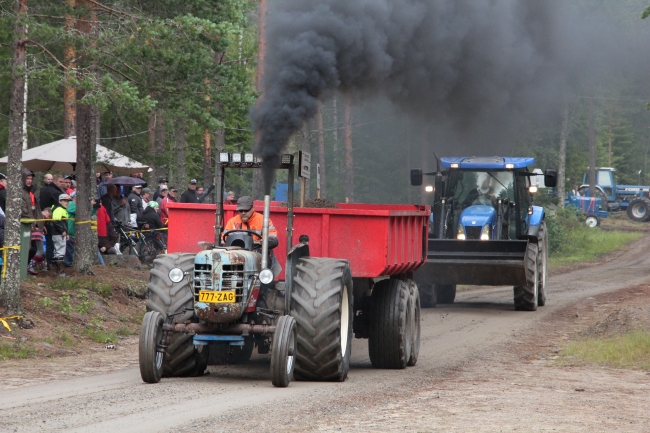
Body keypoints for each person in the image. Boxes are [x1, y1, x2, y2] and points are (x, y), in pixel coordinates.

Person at [21, 169, 44, 273]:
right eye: (27, 178)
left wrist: (39, 224)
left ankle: (25, 268)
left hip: (32, 225)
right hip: (24, 225)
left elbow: (36, 210)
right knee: (28, 249)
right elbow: (24, 210)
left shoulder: (30, 193)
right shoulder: (20, 192)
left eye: (31, 179)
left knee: (32, 249)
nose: (29, 181)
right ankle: (22, 270)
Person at [50, 194, 71, 262]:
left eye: (68, 201)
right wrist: (62, 231)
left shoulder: (61, 209)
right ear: (60, 201)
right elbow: (55, 221)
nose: (66, 203)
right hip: (58, 233)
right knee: (60, 253)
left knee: (58, 252)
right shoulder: (59, 209)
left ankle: (56, 269)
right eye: (64, 201)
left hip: (59, 233)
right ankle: (59, 271)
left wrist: (66, 232)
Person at [64, 191, 77, 267]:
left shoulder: (74, 205)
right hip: (69, 231)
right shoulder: (71, 204)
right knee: (69, 249)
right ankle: (68, 265)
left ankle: (69, 263)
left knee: (71, 249)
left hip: (72, 232)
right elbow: (81, 212)